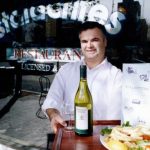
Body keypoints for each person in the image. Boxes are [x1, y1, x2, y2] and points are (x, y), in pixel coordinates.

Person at [42, 21, 122, 133]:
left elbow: (116, 119)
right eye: (84, 41)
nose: (89, 45)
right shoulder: (66, 71)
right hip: (69, 137)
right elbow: (51, 100)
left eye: (95, 40)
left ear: (105, 42)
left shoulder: (117, 76)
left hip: (102, 141)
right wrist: (53, 114)